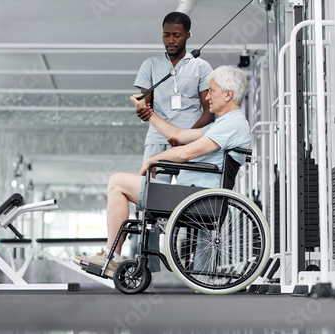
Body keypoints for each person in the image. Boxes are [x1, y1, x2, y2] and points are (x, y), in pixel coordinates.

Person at [73, 65, 251, 278]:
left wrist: (154, 159)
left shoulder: (232, 124)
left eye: (212, 91)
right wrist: (148, 114)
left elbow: (186, 153)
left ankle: (112, 258)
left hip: (195, 198)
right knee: (118, 183)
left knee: (117, 182)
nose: (207, 97)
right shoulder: (223, 124)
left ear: (228, 94)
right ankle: (113, 257)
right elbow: (178, 134)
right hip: (192, 195)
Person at [134, 11, 214, 184]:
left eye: (176, 35)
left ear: (188, 35)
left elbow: (210, 111)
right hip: (158, 139)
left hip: (192, 141)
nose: (170, 40)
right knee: (153, 194)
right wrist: (142, 110)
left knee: (192, 194)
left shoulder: (201, 67)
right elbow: (146, 106)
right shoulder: (150, 65)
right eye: (166, 35)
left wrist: (187, 138)